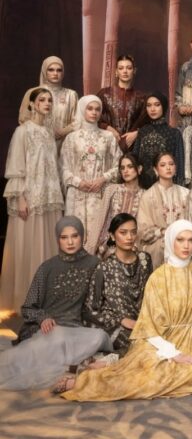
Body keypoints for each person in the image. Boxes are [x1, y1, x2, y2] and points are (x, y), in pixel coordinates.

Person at [62, 220, 192, 401]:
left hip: (190, 343)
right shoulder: (158, 278)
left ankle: (88, 378)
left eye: (191, 240)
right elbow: (149, 327)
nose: (186, 246)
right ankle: (84, 382)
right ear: (171, 241)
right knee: (143, 371)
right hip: (160, 343)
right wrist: (175, 354)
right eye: (180, 240)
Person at [0, 217, 110, 390]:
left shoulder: (94, 264)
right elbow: (28, 307)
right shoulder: (47, 268)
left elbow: (99, 301)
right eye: (64, 237)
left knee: (100, 336)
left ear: (82, 236)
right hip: (50, 328)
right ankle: (70, 368)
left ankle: (69, 367)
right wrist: (43, 318)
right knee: (55, 339)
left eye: (74, 236)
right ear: (58, 239)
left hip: (78, 329)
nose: (70, 242)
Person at [0, 88, 64, 313]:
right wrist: (21, 199)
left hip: (49, 197)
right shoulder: (23, 131)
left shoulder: (47, 132)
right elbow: (16, 166)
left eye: (49, 100)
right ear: (32, 104)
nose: (47, 103)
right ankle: (26, 299)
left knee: (48, 246)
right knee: (28, 246)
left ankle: (47, 299)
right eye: (42, 100)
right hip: (30, 198)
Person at [60, 95, 122, 253]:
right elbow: (63, 167)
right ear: (82, 110)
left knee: (99, 235)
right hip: (77, 194)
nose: (94, 112)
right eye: (90, 108)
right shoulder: (72, 138)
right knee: (76, 235)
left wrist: (103, 179)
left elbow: (119, 165)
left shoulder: (108, 137)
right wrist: (78, 182)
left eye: (97, 109)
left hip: (100, 193)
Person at [84, 213, 152, 355]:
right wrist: (121, 320)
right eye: (123, 232)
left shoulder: (145, 260)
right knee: (142, 348)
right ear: (112, 236)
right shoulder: (104, 268)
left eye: (133, 232)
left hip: (143, 323)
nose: (129, 237)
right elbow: (90, 310)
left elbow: (152, 297)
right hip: (116, 327)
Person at [136, 152, 190, 269]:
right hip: (158, 242)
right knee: (162, 248)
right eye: (163, 165)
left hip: (183, 239)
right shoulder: (148, 196)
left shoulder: (186, 194)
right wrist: (163, 232)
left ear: (175, 168)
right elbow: (143, 231)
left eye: (171, 164)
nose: (168, 167)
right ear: (156, 169)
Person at [18, 56, 78, 148]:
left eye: (59, 70)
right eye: (51, 70)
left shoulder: (71, 95)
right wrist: (42, 134)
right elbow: (24, 119)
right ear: (44, 71)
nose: (55, 73)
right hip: (38, 144)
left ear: (63, 73)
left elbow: (77, 120)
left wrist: (62, 132)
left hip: (64, 144)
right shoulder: (33, 92)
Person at [93, 153, 145, 257]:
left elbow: (144, 227)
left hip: (134, 248)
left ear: (139, 169)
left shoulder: (146, 195)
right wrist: (91, 249)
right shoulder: (111, 190)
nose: (125, 171)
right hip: (109, 247)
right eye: (122, 168)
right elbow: (99, 222)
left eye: (130, 166)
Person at [96, 53, 148, 152]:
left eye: (129, 68)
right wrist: (107, 127)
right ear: (116, 72)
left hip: (132, 147)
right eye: (121, 68)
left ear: (134, 71)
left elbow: (148, 122)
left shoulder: (141, 98)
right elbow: (92, 117)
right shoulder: (104, 94)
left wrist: (137, 133)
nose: (125, 71)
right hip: (107, 145)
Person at [133, 93, 184, 189]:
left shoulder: (174, 133)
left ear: (163, 106)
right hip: (143, 187)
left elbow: (179, 164)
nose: (152, 109)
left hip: (167, 187)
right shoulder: (142, 132)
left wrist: (178, 188)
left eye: (157, 105)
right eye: (149, 105)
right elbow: (134, 160)